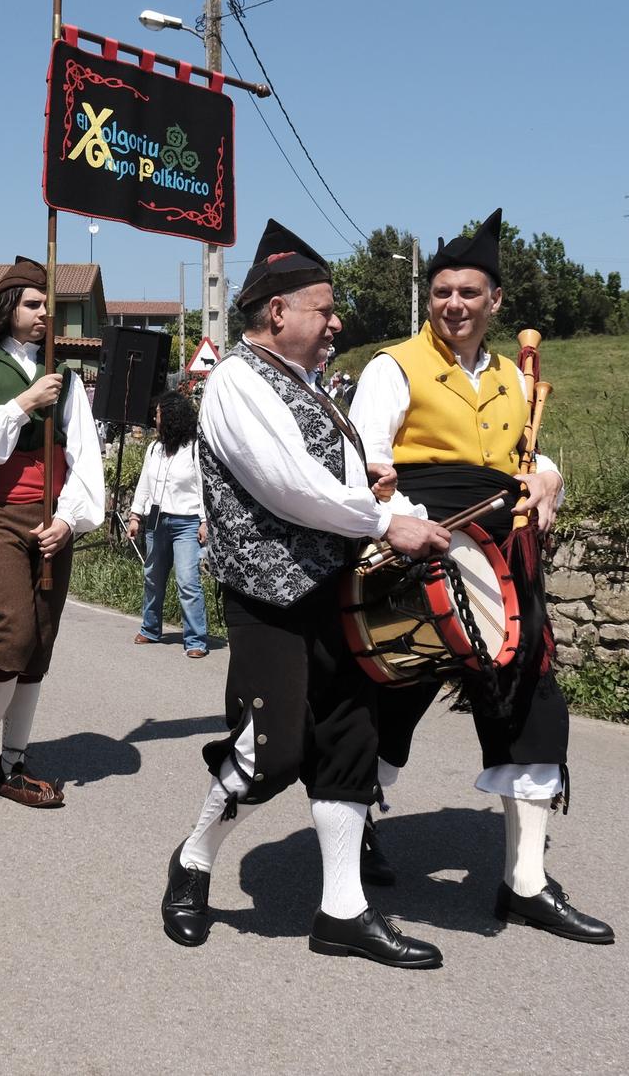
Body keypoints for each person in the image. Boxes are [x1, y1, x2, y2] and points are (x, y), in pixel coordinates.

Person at [158, 219, 451, 968]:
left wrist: (390, 504)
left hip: (336, 594)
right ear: (279, 311)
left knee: (350, 740)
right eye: (325, 307)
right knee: (271, 751)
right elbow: (290, 488)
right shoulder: (234, 380)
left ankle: (343, 910)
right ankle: (193, 859)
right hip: (269, 601)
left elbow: (339, 485)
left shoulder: (309, 387)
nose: (336, 321)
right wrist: (386, 516)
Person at [346, 208, 611, 945]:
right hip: (420, 557)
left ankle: (524, 882)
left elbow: (525, 463)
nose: (453, 305)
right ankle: (354, 814)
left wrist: (552, 476)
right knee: (392, 702)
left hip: (505, 562)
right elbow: (360, 467)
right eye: (441, 293)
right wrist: (409, 526)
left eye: (469, 292)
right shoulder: (392, 366)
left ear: (496, 301)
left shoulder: (512, 378)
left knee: (532, 704)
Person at [0, 256, 104, 816]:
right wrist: (23, 403)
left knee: (39, 642)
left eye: (49, 307)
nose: (45, 316)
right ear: (9, 308)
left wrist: (68, 519)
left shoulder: (67, 376)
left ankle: (15, 761)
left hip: (51, 519)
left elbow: (85, 456)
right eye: (35, 305)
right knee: (11, 635)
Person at [125, 392, 211, 657]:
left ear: (172, 417)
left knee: (187, 581)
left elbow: (203, 488)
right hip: (157, 521)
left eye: (159, 414)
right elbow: (144, 484)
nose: (155, 418)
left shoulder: (194, 449)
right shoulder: (154, 449)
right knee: (153, 577)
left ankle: (196, 640)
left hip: (187, 523)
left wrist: (205, 521)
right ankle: (150, 628)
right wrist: (135, 516)